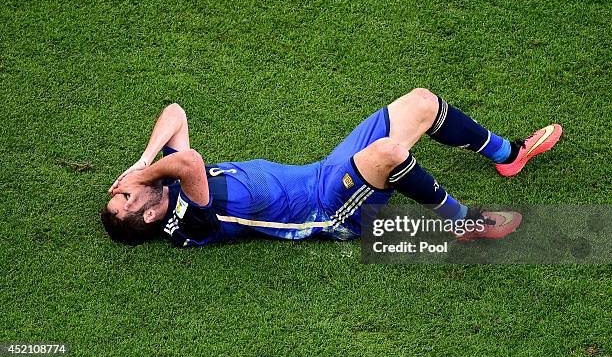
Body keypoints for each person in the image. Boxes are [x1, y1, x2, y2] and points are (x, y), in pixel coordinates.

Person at [101, 88, 562, 246]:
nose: (123, 185)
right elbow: (191, 160)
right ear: (145, 215)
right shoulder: (189, 223)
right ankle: (463, 224)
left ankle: (509, 155)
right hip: (329, 210)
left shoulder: (162, 181)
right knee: (387, 153)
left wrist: (144, 162)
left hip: (325, 170)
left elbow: (176, 112)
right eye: (123, 196)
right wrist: (145, 172)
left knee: (420, 103)